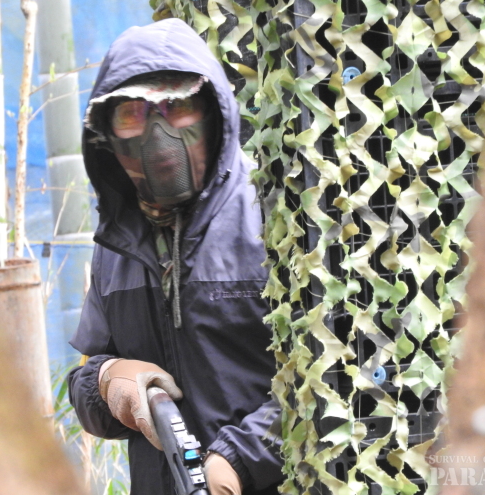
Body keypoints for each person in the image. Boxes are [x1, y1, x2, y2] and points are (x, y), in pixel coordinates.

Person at [67, 18, 284, 495]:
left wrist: (240, 460)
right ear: (107, 135)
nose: (159, 134)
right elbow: (84, 380)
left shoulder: (273, 216)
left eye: (178, 106)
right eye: (133, 114)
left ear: (213, 112)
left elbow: (326, 380)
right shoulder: (118, 242)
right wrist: (107, 381)